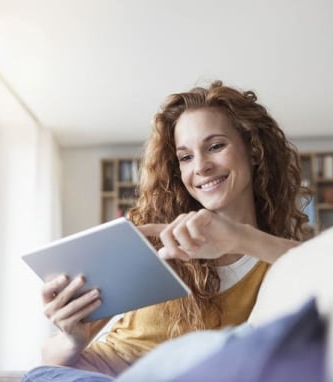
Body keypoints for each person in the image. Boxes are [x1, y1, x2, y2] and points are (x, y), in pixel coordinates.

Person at [24, 80, 311, 379]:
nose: (200, 167)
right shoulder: (151, 242)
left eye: (215, 146)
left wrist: (238, 238)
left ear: (253, 151)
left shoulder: (273, 257)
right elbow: (48, 360)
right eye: (186, 157)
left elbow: (325, 264)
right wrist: (72, 339)